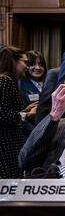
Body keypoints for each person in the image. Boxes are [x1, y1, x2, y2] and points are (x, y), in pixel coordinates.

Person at [0, 46, 30, 178]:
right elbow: (2, 114)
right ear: (14, 61)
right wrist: (26, 115)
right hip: (6, 147)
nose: (27, 67)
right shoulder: (5, 81)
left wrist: (24, 110)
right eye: (25, 62)